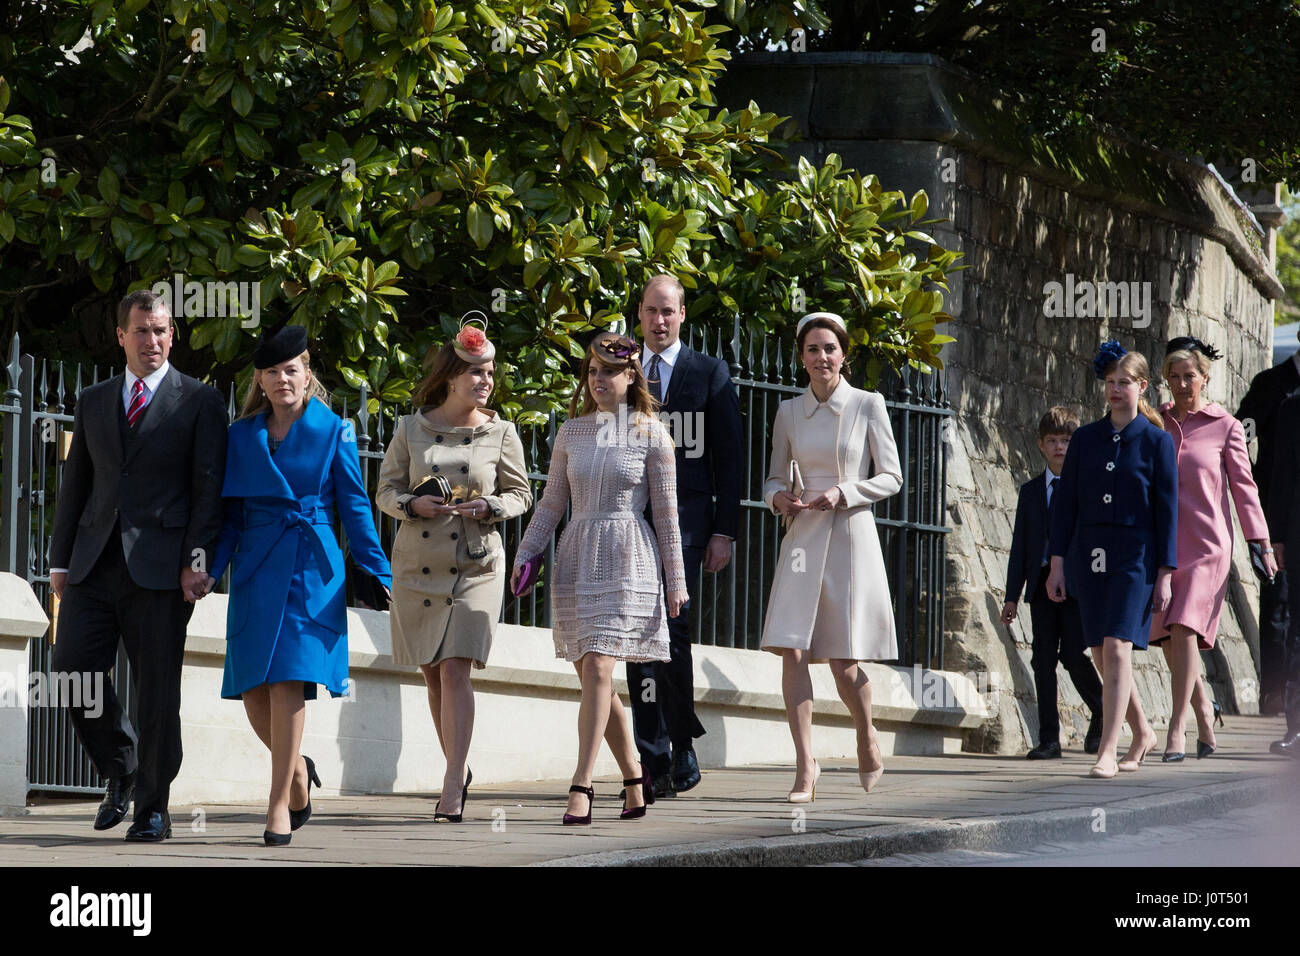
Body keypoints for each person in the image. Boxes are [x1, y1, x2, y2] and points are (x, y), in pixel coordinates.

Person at [49, 290, 227, 842]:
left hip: (163, 570)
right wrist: (59, 562)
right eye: (142, 331)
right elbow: (76, 484)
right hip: (93, 563)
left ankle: (153, 807)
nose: (153, 341)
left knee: (157, 696)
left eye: (161, 331)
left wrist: (197, 563)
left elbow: (207, 492)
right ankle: (121, 767)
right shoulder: (94, 399)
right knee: (71, 672)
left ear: (172, 336)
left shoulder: (198, 400)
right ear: (121, 336)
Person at [206, 324, 391, 845]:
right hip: (257, 565)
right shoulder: (240, 436)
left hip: (312, 568)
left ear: (308, 374)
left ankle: (275, 808)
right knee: (252, 691)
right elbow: (230, 517)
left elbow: (354, 508)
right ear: (260, 381)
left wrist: (379, 572)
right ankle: (298, 777)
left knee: (288, 679)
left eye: (292, 369)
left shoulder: (336, 431)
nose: (283, 379)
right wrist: (208, 568)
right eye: (272, 372)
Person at [511, 332, 687, 824]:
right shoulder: (571, 433)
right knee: (595, 677)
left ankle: (582, 784)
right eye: (592, 371)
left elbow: (669, 516)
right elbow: (551, 504)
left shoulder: (654, 434)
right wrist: (527, 553)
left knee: (599, 670)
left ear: (631, 377)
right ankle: (635, 775)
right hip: (575, 558)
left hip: (629, 556)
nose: (598, 380)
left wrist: (676, 581)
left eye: (609, 372)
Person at [375, 316, 532, 822]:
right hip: (418, 565)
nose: (485, 380)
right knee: (432, 674)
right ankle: (456, 767)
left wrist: (491, 508)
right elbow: (384, 492)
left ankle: (450, 782)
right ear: (449, 376)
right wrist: (410, 506)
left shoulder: (502, 432)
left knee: (455, 666)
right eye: (474, 372)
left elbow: (522, 493)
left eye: (489, 372)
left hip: (476, 564)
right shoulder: (410, 428)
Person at [761, 312, 900, 801]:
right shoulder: (788, 412)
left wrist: (843, 493)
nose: (822, 357)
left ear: (844, 354)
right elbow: (774, 477)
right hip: (801, 537)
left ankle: (866, 732)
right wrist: (779, 499)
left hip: (848, 534)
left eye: (830, 349)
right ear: (801, 357)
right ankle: (805, 766)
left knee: (843, 662)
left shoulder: (868, 404)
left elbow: (892, 477)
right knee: (792, 650)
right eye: (813, 349)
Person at [628, 274, 742, 798]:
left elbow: (730, 457)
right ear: (641, 312)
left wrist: (725, 530)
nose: (659, 321)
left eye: (668, 311)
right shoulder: (622, 369)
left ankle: (683, 744)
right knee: (636, 642)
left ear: (681, 316)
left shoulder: (710, 372)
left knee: (672, 634)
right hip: (630, 521)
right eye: (651, 311)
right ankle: (651, 762)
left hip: (690, 524)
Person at [1047, 340, 1176, 779]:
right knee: (1101, 650)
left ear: (1142, 386)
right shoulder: (1084, 439)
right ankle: (1142, 731)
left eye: (1124, 383)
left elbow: (1167, 510)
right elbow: (1065, 505)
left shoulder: (1157, 442)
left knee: (1119, 646)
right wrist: (1059, 563)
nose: (1116, 390)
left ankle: (1108, 747)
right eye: (1110, 382)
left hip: (1137, 557)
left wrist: (1165, 572)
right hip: (1090, 553)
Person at [1151, 337, 1274, 760]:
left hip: (1208, 547)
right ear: (1165, 380)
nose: (1183, 384)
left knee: (1184, 626)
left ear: (1205, 377)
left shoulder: (1226, 426)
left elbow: (1244, 488)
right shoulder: (1155, 422)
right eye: (1175, 376)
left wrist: (1260, 542)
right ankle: (1205, 711)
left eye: (1190, 376)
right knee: (1168, 638)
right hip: (1163, 545)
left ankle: (1175, 728)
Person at [1001, 407, 1104, 759]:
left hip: (1077, 586)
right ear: (1041, 445)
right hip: (1041, 584)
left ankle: (1103, 710)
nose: (1060, 447)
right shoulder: (1030, 492)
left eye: (1066, 440)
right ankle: (1049, 739)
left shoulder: (1086, 489)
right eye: (1052, 441)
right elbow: (1020, 547)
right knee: (1042, 661)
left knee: (1075, 656)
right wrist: (1011, 596)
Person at [1237, 348, 1300, 742]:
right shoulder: (1271, 386)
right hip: (1278, 517)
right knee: (1277, 601)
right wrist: (1247, 474)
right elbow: (1241, 431)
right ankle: (1275, 690)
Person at [1268, 393, 1300, 756]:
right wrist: (1276, 537)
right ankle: (1297, 727)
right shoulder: (1292, 408)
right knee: (1298, 634)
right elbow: (1282, 476)